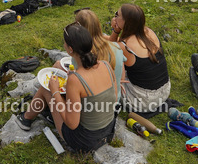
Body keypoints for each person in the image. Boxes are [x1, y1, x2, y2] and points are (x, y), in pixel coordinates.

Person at [15, 23, 120, 153]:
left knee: (47, 88)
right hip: (107, 131)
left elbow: (72, 124)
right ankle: (34, 115)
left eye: (64, 43)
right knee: (58, 81)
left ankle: (26, 118)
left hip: (85, 141)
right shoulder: (106, 65)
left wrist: (55, 92)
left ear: (70, 49)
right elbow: (113, 100)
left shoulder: (76, 79)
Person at [109, 4, 170, 114]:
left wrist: (116, 30)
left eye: (117, 15)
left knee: (107, 73)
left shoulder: (125, 46)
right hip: (164, 91)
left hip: (144, 101)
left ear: (126, 22)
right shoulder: (149, 32)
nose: (114, 18)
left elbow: (110, 50)